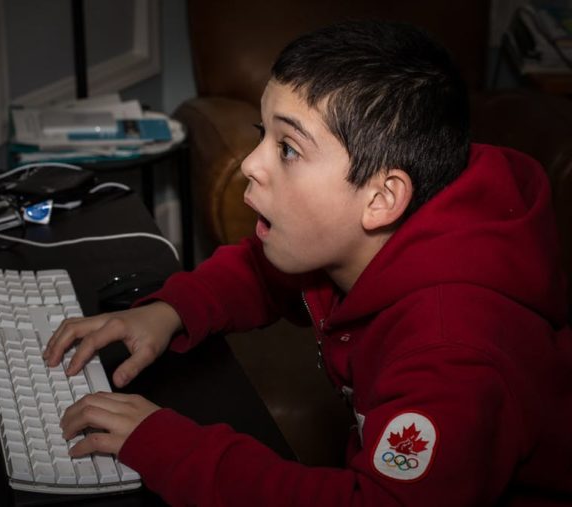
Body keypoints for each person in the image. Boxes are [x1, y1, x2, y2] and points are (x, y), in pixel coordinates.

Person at [43, 20, 572, 506]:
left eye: (289, 148)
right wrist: (169, 311)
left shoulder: (452, 356)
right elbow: (263, 273)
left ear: (382, 198)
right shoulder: (352, 242)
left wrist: (172, 449)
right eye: (262, 133)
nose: (250, 164)